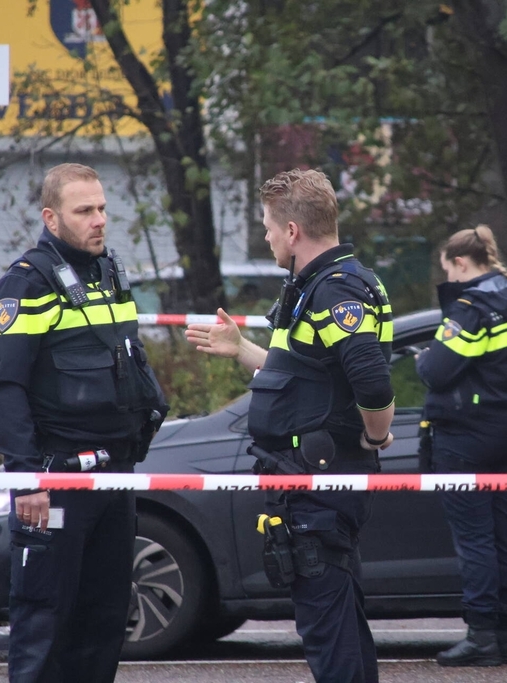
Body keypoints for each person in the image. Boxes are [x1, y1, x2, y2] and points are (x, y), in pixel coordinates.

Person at [185, 168, 394, 683]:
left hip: (319, 481)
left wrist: (375, 434)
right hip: (311, 479)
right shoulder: (319, 285)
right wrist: (241, 350)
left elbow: (370, 380)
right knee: (339, 619)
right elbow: (305, 376)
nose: (268, 237)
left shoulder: (334, 289)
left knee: (327, 629)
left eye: (269, 229)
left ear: (294, 231)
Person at [0, 163, 168, 683]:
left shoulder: (108, 274)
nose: (99, 221)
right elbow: (6, 389)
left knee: (106, 620)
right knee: (46, 620)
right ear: (52, 217)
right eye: (84, 211)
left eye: (102, 208)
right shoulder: (25, 285)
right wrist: (28, 479)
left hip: (114, 476)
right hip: (56, 479)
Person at [415, 225, 507, 667]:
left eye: (447, 271)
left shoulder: (472, 309)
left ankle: (481, 635)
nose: (448, 280)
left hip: (467, 436)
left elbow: (435, 371)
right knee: (506, 535)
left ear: (462, 264)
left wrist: (423, 358)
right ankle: (504, 634)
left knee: (475, 540)